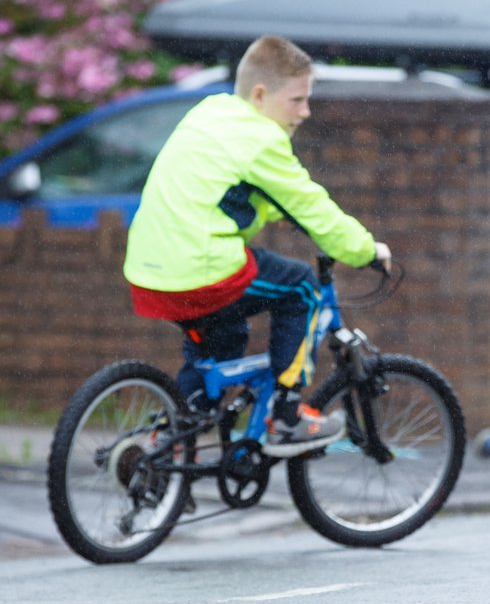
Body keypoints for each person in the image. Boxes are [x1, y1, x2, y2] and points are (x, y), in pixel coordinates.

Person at [123, 35, 391, 458]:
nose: (305, 112)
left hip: (148, 271)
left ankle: (169, 448)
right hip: (202, 271)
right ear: (261, 94)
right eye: (298, 100)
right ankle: (285, 417)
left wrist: (274, 212)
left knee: (220, 347)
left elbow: (229, 193)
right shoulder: (262, 139)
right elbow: (312, 206)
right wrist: (364, 250)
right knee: (302, 286)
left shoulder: (210, 113)